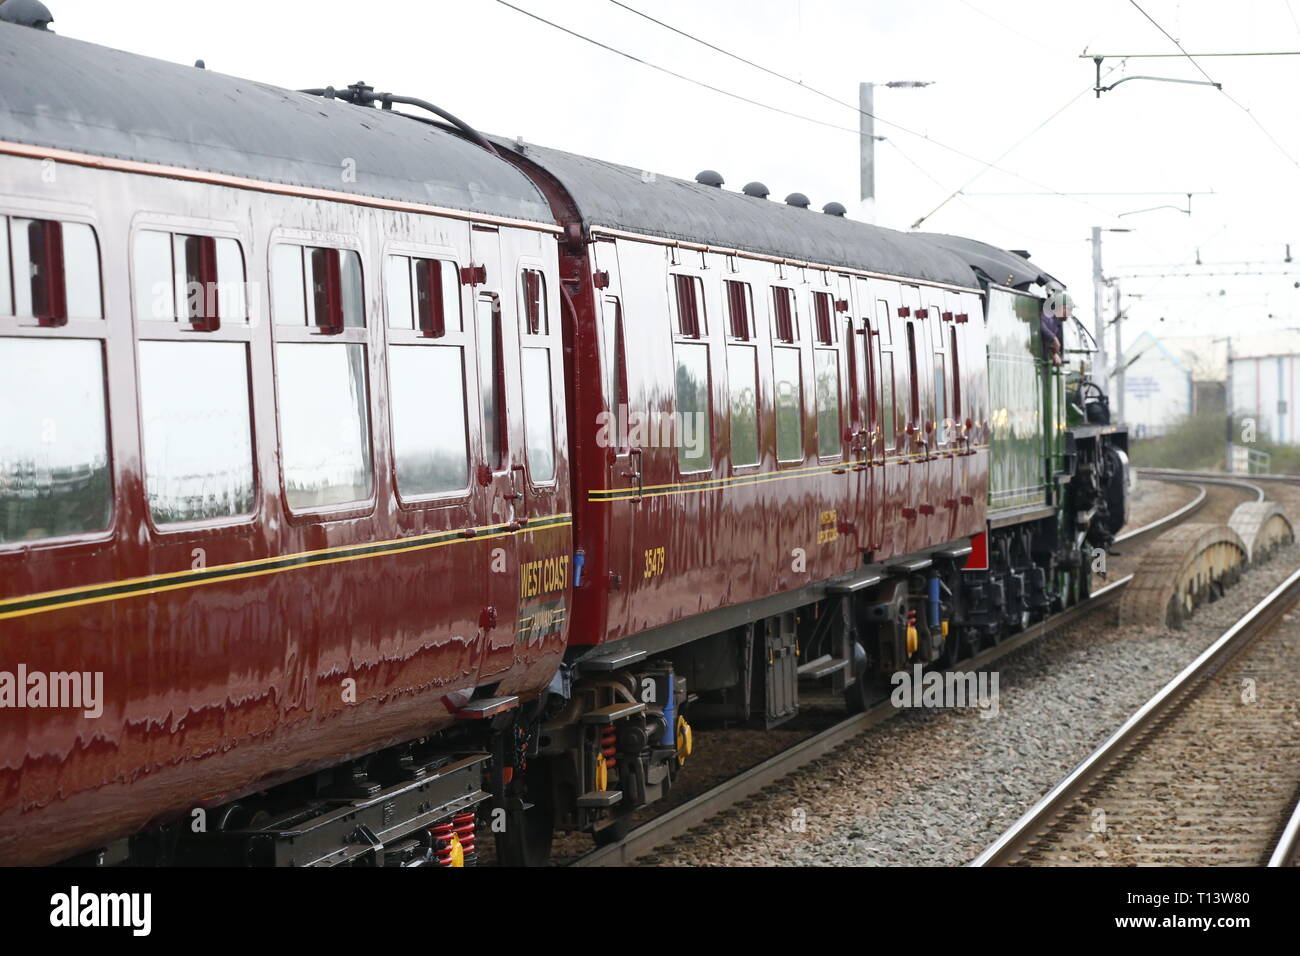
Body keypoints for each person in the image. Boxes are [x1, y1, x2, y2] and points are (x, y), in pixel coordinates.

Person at [1040, 290, 1074, 367]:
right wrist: (1053, 338)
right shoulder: (1048, 314)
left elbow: (1049, 345)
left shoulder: (1056, 323)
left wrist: (1054, 354)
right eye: (1068, 310)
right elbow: (1040, 325)